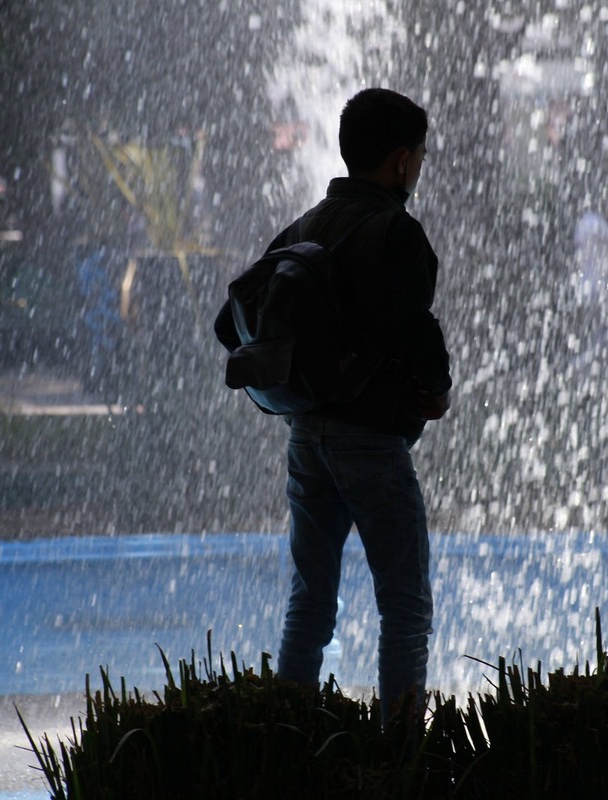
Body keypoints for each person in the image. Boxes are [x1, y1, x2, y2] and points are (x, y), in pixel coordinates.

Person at [216, 88, 452, 722]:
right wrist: (438, 390)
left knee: (310, 601)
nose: (420, 169)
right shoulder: (396, 232)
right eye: (420, 156)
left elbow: (235, 318)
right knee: (405, 604)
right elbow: (417, 330)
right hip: (371, 441)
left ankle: (287, 735)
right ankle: (397, 750)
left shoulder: (306, 224)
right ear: (401, 161)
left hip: (306, 436)